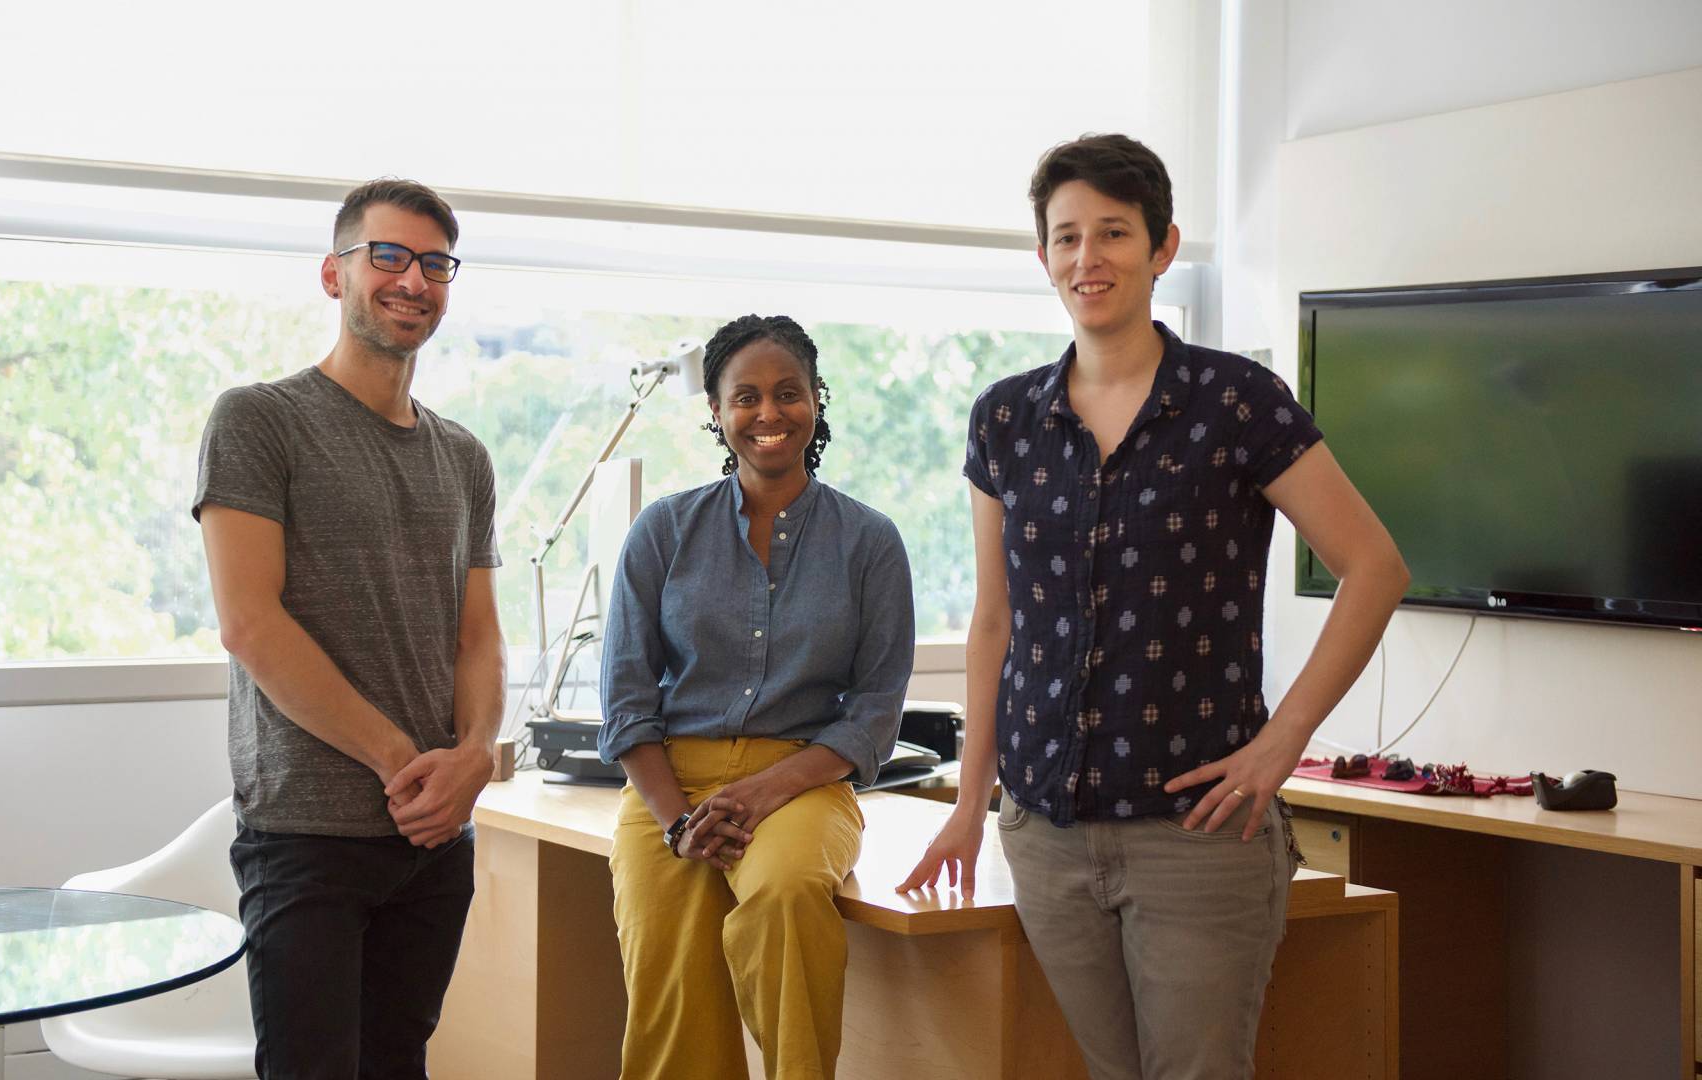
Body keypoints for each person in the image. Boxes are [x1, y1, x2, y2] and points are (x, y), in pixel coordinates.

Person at [899, 134, 1409, 1079]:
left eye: (1114, 233)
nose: (1087, 259)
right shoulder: (1004, 419)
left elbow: (1374, 567)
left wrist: (1281, 742)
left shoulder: (1236, 403)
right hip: (1044, 833)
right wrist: (971, 804)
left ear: (1164, 246)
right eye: (1066, 238)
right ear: (1042, 256)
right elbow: (995, 624)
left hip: (1196, 835)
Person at [193, 178, 507, 1079]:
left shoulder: (464, 457)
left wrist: (476, 755)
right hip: (308, 834)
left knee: (398, 1064)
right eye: (390, 256)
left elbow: (477, 636)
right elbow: (251, 625)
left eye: (435, 263)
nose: (414, 279)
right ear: (335, 275)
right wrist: (404, 765)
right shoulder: (259, 421)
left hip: (435, 839)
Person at [597, 314, 915, 1080]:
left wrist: (765, 790)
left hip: (801, 781)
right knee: (671, 983)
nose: (768, 414)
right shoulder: (663, 531)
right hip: (669, 783)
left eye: (788, 393)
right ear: (716, 411)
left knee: (781, 897)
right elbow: (626, 699)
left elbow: (874, 711)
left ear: (816, 400)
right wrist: (678, 824)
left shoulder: (869, 542)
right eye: (746, 397)